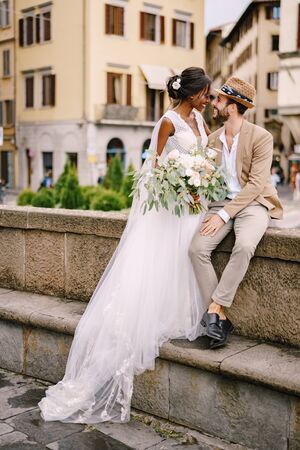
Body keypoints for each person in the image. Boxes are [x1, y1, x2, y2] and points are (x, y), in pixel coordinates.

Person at [39, 67, 211, 424]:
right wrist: (180, 187)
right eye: (205, 92)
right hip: (175, 208)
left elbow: (204, 157)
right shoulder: (167, 122)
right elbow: (153, 166)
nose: (208, 98)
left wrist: (203, 181)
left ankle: (178, 315)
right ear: (193, 92)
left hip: (197, 205)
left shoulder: (198, 118)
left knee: (184, 262)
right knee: (167, 261)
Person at [189, 77, 283, 349]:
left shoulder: (262, 137)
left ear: (232, 106)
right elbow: (206, 179)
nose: (213, 104)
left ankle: (215, 307)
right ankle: (220, 317)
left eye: (218, 100)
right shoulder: (212, 139)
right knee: (196, 249)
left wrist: (224, 215)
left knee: (243, 246)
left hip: (253, 204)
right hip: (220, 204)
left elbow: (255, 184)